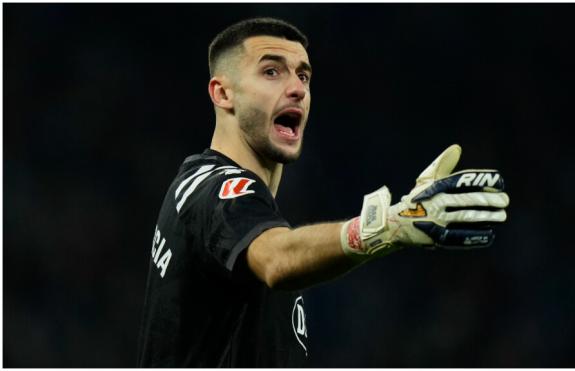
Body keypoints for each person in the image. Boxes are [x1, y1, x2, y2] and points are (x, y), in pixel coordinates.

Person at [137, 17, 510, 367]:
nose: (297, 88)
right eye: (271, 71)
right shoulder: (213, 188)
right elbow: (277, 259)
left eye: (304, 76)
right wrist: (382, 228)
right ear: (222, 93)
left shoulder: (232, 210)